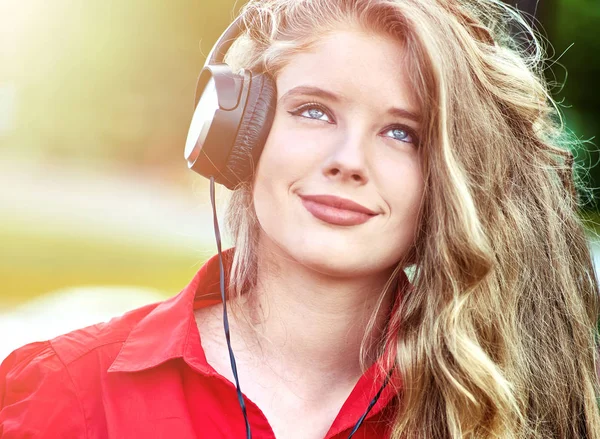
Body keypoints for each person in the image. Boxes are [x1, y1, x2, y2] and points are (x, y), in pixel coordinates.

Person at [1, 0, 599, 437]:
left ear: (447, 181)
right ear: (238, 132)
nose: (348, 162)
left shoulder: (503, 409)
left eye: (401, 133)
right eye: (314, 112)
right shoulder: (65, 393)